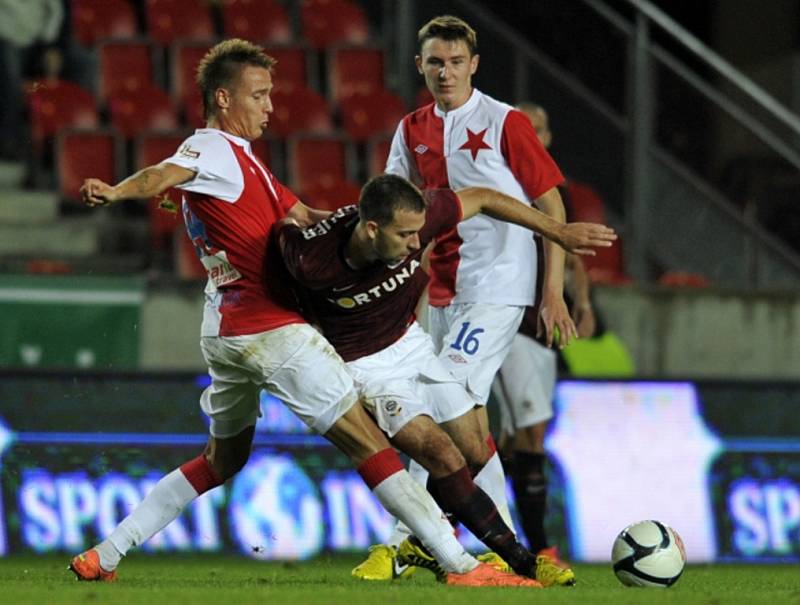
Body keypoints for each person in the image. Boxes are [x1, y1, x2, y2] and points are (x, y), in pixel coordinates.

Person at [67, 38, 540, 589]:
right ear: (223, 98)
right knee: (369, 442)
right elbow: (163, 174)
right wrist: (120, 189)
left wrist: (361, 230)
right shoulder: (213, 149)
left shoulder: (247, 165)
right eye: (259, 95)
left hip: (223, 330)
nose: (270, 107)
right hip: (271, 330)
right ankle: (462, 567)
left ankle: (106, 552)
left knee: (222, 460)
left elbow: (306, 216)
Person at [277, 174, 615, 585]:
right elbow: (270, 233)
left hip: (414, 345)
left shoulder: (420, 216)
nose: (416, 244)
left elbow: (487, 197)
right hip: (368, 369)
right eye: (404, 236)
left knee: (475, 452)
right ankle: (524, 562)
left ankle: (419, 544)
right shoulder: (310, 259)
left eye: (418, 232)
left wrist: (558, 231)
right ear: (371, 229)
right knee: (442, 455)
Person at [355, 15, 576, 580]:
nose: (445, 72)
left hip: (499, 287)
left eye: (456, 62)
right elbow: (393, 211)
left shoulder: (506, 122)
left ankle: (409, 540)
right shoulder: (410, 129)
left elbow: (552, 207)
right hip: (441, 291)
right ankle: (514, 556)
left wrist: (552, 292)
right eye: (435, 62)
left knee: (438, 400)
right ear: (420, 66)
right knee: (461, 422)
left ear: (474, 64)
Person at [491, 102, 597, 561]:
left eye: (539, 128)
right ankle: (539, 547)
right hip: (509, 318)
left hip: (545, 326)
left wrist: (584, 301)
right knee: (531, 431)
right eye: (524, 128)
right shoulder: (497, 184)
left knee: (518, 437)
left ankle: (480, 523)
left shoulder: (555, 190)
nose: (532, 135)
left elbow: (569, 250)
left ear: (548, 138)